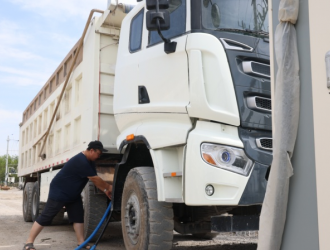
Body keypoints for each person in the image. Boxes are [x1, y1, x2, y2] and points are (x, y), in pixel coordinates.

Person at [23, 140, 112, 250]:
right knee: (47, 216)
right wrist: (108, 187)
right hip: (60, 191)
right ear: (91, 150)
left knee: (78, 217)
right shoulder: (81, 160)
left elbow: (94, 180)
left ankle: (81, 243)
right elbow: (94, 178)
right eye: (99, 153)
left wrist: (105, 190)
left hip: (73, 193)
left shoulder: (90, 162)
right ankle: (29, 242)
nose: (100, 156)